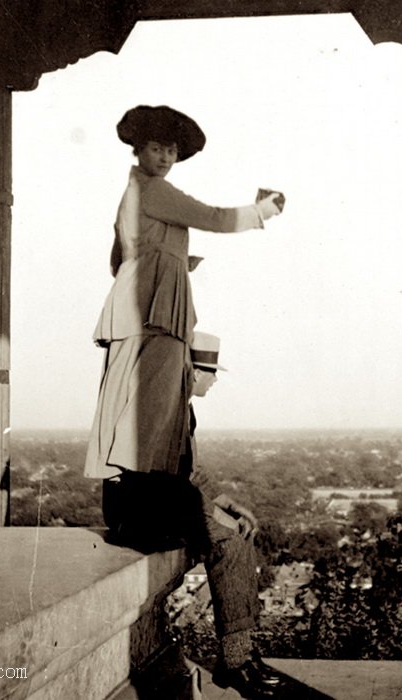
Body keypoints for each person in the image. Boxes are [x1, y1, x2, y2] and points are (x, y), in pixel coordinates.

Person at [84, 104, 283, 482]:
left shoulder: (133, 191)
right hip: (155, 311)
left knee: (134, 400)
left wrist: (174, 260)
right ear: (139, 149)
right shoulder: (154, 189)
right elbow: (213, 217)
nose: (165, 158)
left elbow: (120, 256)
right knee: (153, 407)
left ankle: (135, 493)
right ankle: (147, 500)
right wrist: (263, 211)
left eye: (172, 151)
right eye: (157, 148)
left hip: (137, 306)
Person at [102, 332, 285, 699]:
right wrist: (216, 517)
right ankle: (235, 661)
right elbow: (164, 482)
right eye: (211, 372)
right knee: (231, 544)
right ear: (193, 371)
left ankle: (242, 654)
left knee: (234, 534)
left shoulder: (179, 405)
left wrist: (227, 502)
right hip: (140, 511)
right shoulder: (164, 406)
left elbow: (189, 474)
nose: (214, 380)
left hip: (161, 504)